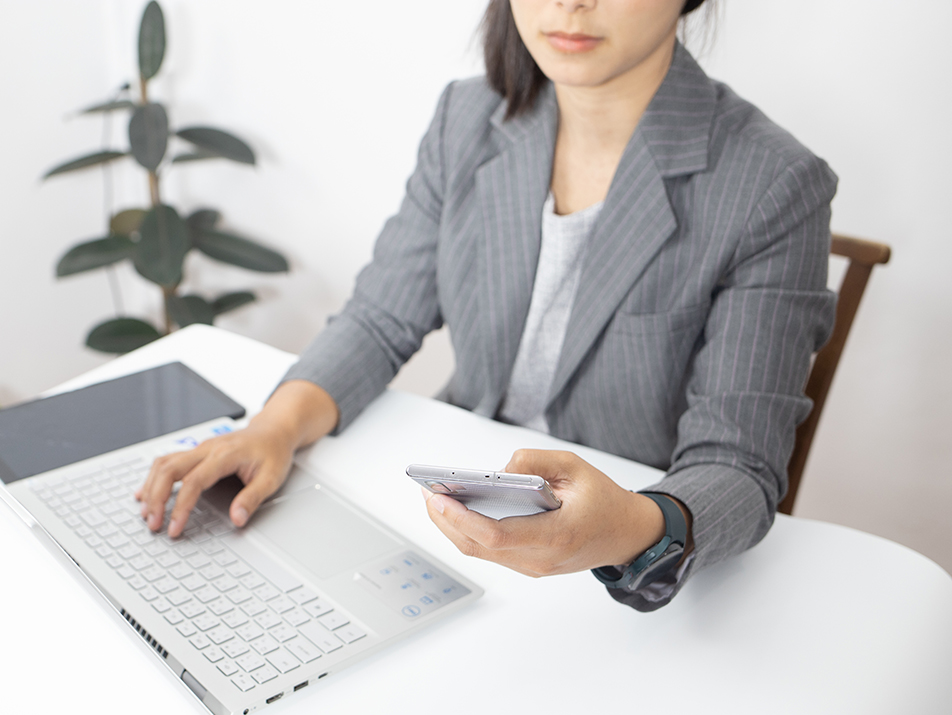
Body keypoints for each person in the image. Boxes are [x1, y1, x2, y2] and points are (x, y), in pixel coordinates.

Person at [136, 0, 836, 611]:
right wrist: (275, 428)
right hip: (459, 513)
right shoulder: (466, 118)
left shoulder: (775, 184)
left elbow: (739, 467)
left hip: (617, 546)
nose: (570, 3)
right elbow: (381, 318)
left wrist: (627, 529)